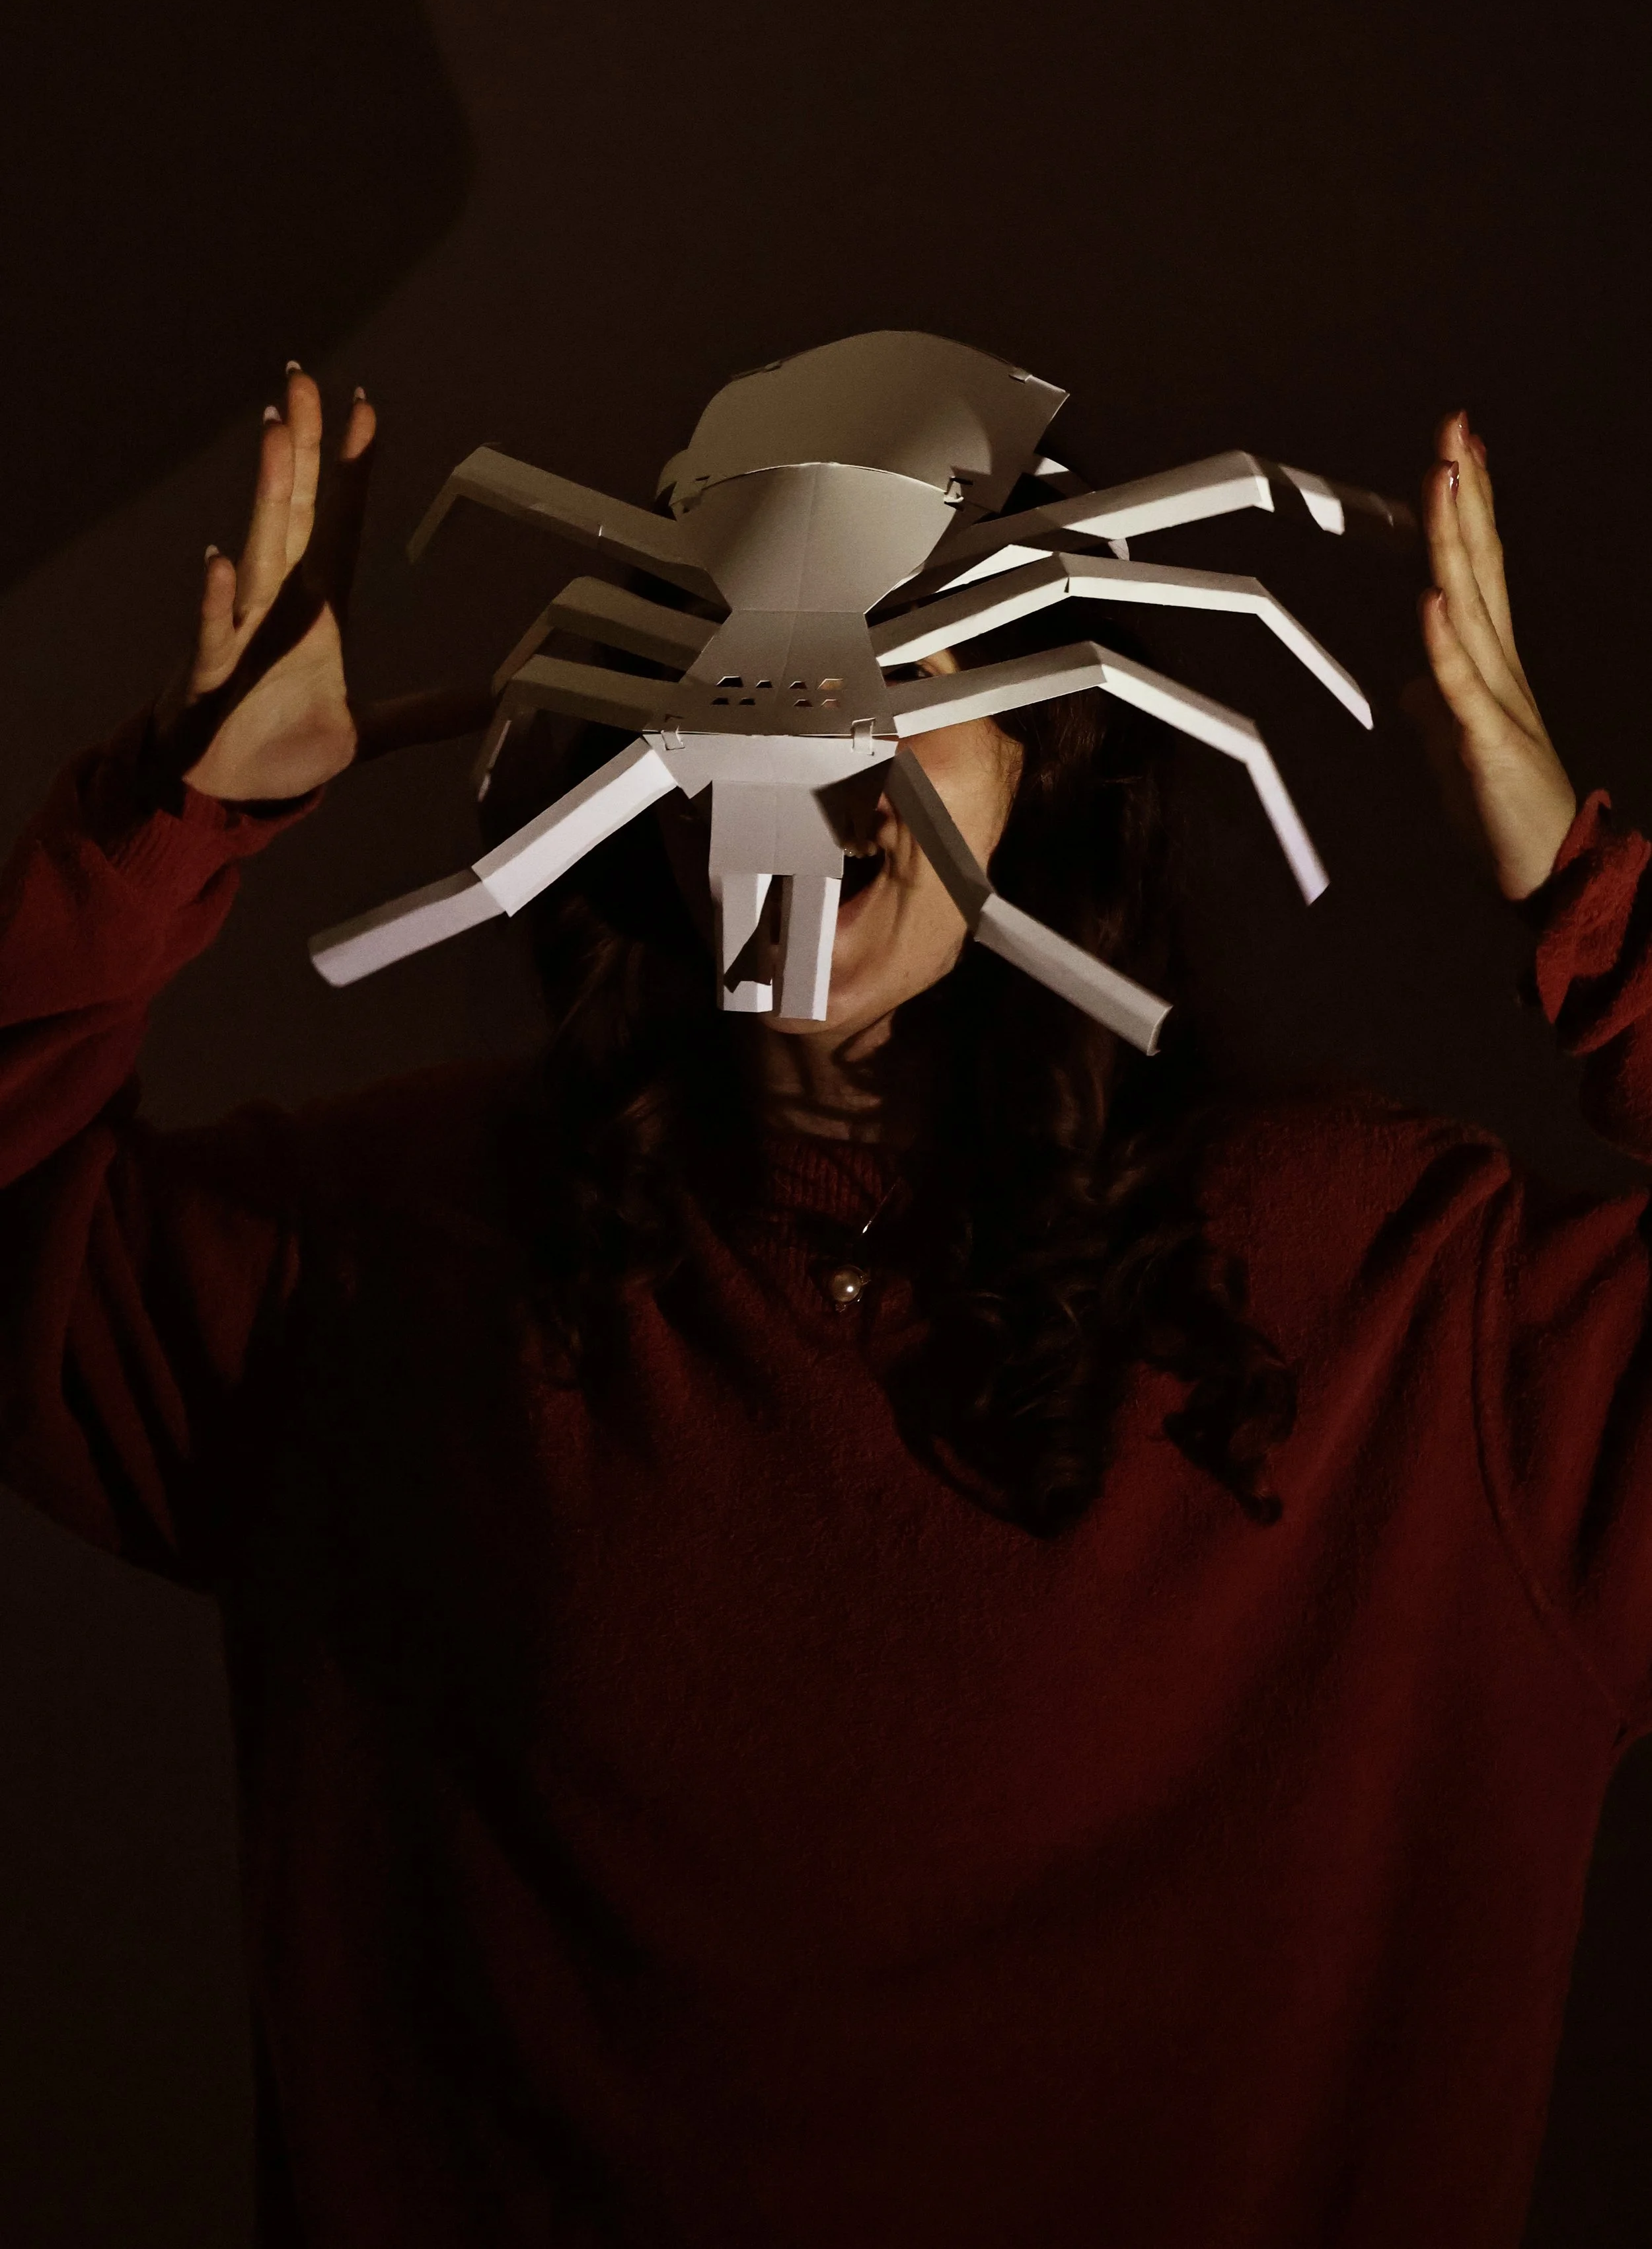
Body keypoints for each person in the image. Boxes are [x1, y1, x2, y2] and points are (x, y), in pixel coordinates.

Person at [0, 369, 1637, 2249]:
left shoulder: (1385, 1295)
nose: (826, 759)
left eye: (914, 682)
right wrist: (172, 827)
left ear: (1047, 755)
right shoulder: (401, 1256)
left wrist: (1593, 909)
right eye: (741, 691)